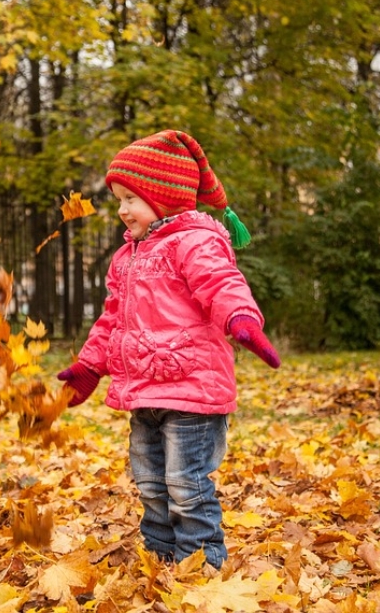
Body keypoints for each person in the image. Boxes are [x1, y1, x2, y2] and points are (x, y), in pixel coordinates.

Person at [57, 129, 280, 570]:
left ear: (163, 196)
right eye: (119, 199)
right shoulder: (128, 257)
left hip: (193, 395)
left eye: (130, 199)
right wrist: (89, 365)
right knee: (150, 484)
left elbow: (221, 285)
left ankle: (200, 568)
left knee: (186, 485)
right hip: (145, 392)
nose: (121, 210)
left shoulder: (195, 242)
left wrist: (242, 321)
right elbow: (112, 319)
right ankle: (158, 562)